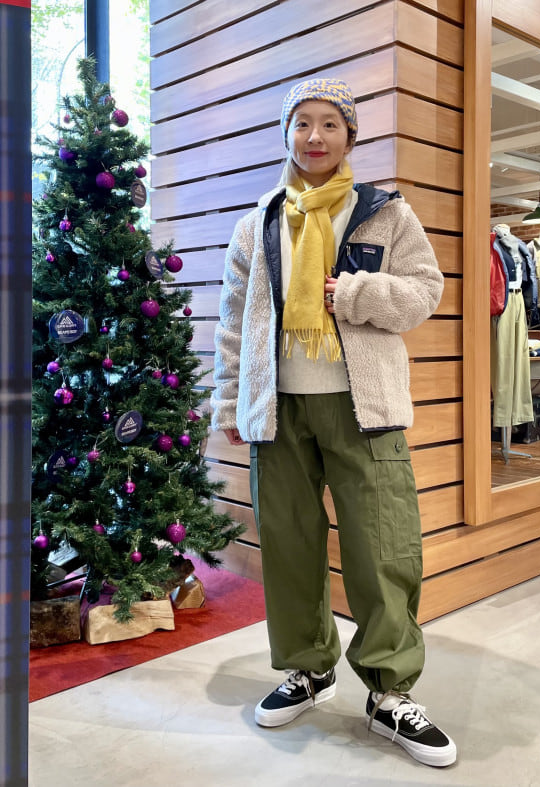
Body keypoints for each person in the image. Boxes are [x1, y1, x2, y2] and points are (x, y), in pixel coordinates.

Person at [210, 77, 456, 768]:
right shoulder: (256, 223)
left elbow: (425, 291)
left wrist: (353, 292)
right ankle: (307, 667)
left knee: (383, 543)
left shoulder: (384, 213)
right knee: (289, 542)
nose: (314, 136)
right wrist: (231, 403)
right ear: (286, 134)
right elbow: (234, 324)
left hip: (362, 404)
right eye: (302, 123)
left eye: (329, 123)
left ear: (350, 136)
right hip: (279, 407)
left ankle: (389, 690)